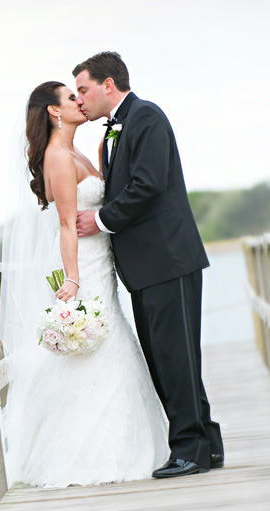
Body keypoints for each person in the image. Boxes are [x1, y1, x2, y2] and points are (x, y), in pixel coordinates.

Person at [0, 80, 169, 488]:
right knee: (94, 344)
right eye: (71, 97)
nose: (80, 101)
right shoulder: (58, 157)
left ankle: (129, 443)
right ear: (55, 111)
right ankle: (80, 453)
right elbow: (64, 224)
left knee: (109, 341)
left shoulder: (79, 151)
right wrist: (73, 278)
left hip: (102, 259)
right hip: (84, 265)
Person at [73, 52, 224, 478]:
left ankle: (189, 450)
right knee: (169, 359)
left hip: (167, 259)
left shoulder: (146, 118)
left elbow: (149, 184)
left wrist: (100, 220)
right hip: (148, 266)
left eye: (84, 89)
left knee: (175, 358)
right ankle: (206, 444)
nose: (81, 99)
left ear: (108, 84)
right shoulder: (117, 129)